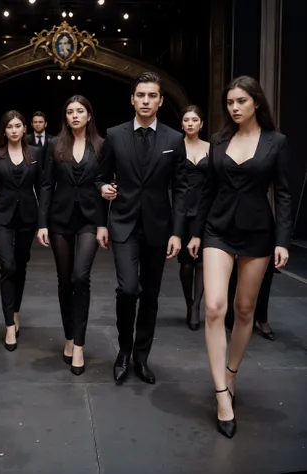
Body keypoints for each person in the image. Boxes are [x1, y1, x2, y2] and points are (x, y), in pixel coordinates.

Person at [188, 75, 292, 439]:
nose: (234, 108)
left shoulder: (276, 143)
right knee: (215, 307)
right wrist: (197, 234)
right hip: (217, 229)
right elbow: (205, 191)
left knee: (244, 309)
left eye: (241, 101)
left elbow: (283, 194)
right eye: (230, 102)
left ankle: (231, 372)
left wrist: (282, 240)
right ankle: (221, 394)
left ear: (256, 103)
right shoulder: (218, 141)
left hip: (258, 234)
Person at [96, 72, 187, 386]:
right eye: (141, 95)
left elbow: (181, 188)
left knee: (150, 295)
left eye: (152, 96)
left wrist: (177, 232)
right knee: (128, 289)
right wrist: (104, 188)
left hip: (159, 227)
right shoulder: (115, 135)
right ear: (132, 99)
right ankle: (123, 350)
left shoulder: (174, 140)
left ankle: (141, 356)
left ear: (160, 100)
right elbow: (100, 175)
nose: (146, 101)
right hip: (123, 223)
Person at [37, 95, 105, 376]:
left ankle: (79, 344)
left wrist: (104, 224)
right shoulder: (55, 144)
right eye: (69, 112)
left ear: (89, 115)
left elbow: (105, 183)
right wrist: (42, 223)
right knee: (65, 281)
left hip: (90, 219)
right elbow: (46, 185)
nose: (75, 115)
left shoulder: (101, 145)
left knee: (81, 277)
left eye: (80, 111)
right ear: (65, 117)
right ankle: (68, 335)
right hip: (59, 220)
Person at [0, 111, 42, 351]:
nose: (13, 130)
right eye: (9, 126)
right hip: (1, 216)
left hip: (28, 217)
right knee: (8, 265)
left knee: (20, 265)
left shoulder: (36, 154)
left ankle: (16, 309)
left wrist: (44, 222)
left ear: (24, 129)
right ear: (4, 130)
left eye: (17, 126)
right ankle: (9, 324)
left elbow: (43, 189)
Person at [178, 105, 210, 330]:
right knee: (186, 263)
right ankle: (189, 302)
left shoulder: (212, 148)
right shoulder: (175, 147)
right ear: (182, 124)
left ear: (201, 124)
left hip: (206, 209)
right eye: (186, 120)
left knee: (202, 262)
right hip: (181, 209)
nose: (190, 123)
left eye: (194, 120)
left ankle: (197, 304)